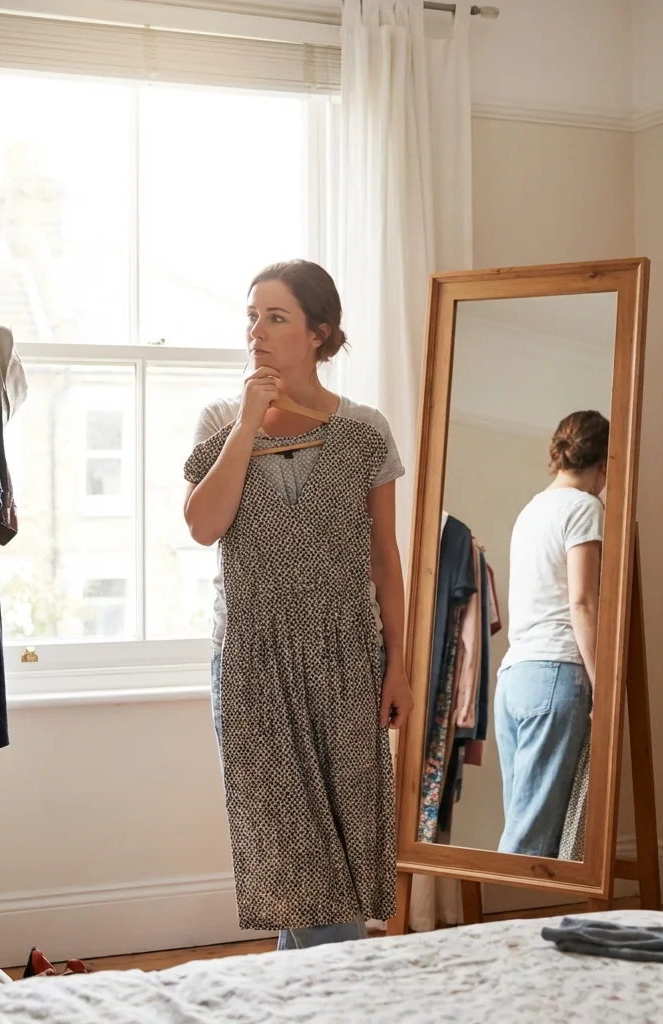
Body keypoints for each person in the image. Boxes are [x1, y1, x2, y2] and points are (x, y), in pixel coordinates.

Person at [182, 259, 413, 951]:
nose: (256, 331)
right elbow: (202, 525)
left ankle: (309, 996)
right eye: (251, 316)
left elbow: (384, 559)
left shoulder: (366, 431)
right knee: (289, 860)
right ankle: (338, 996)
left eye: (275, 317)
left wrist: (398, 665)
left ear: (320, 333)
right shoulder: (223, 421)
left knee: (336, 866)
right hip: (251, 664)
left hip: (348, 663)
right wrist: (250, 422)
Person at [495, 410, 608, 859]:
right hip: (556, 673)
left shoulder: (532, 509)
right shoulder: (584, 507)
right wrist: (605, 684)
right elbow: (582, 602)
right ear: (604, 463)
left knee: (523, 830)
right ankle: (491, 934)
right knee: (528, 846)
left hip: (514, 678)